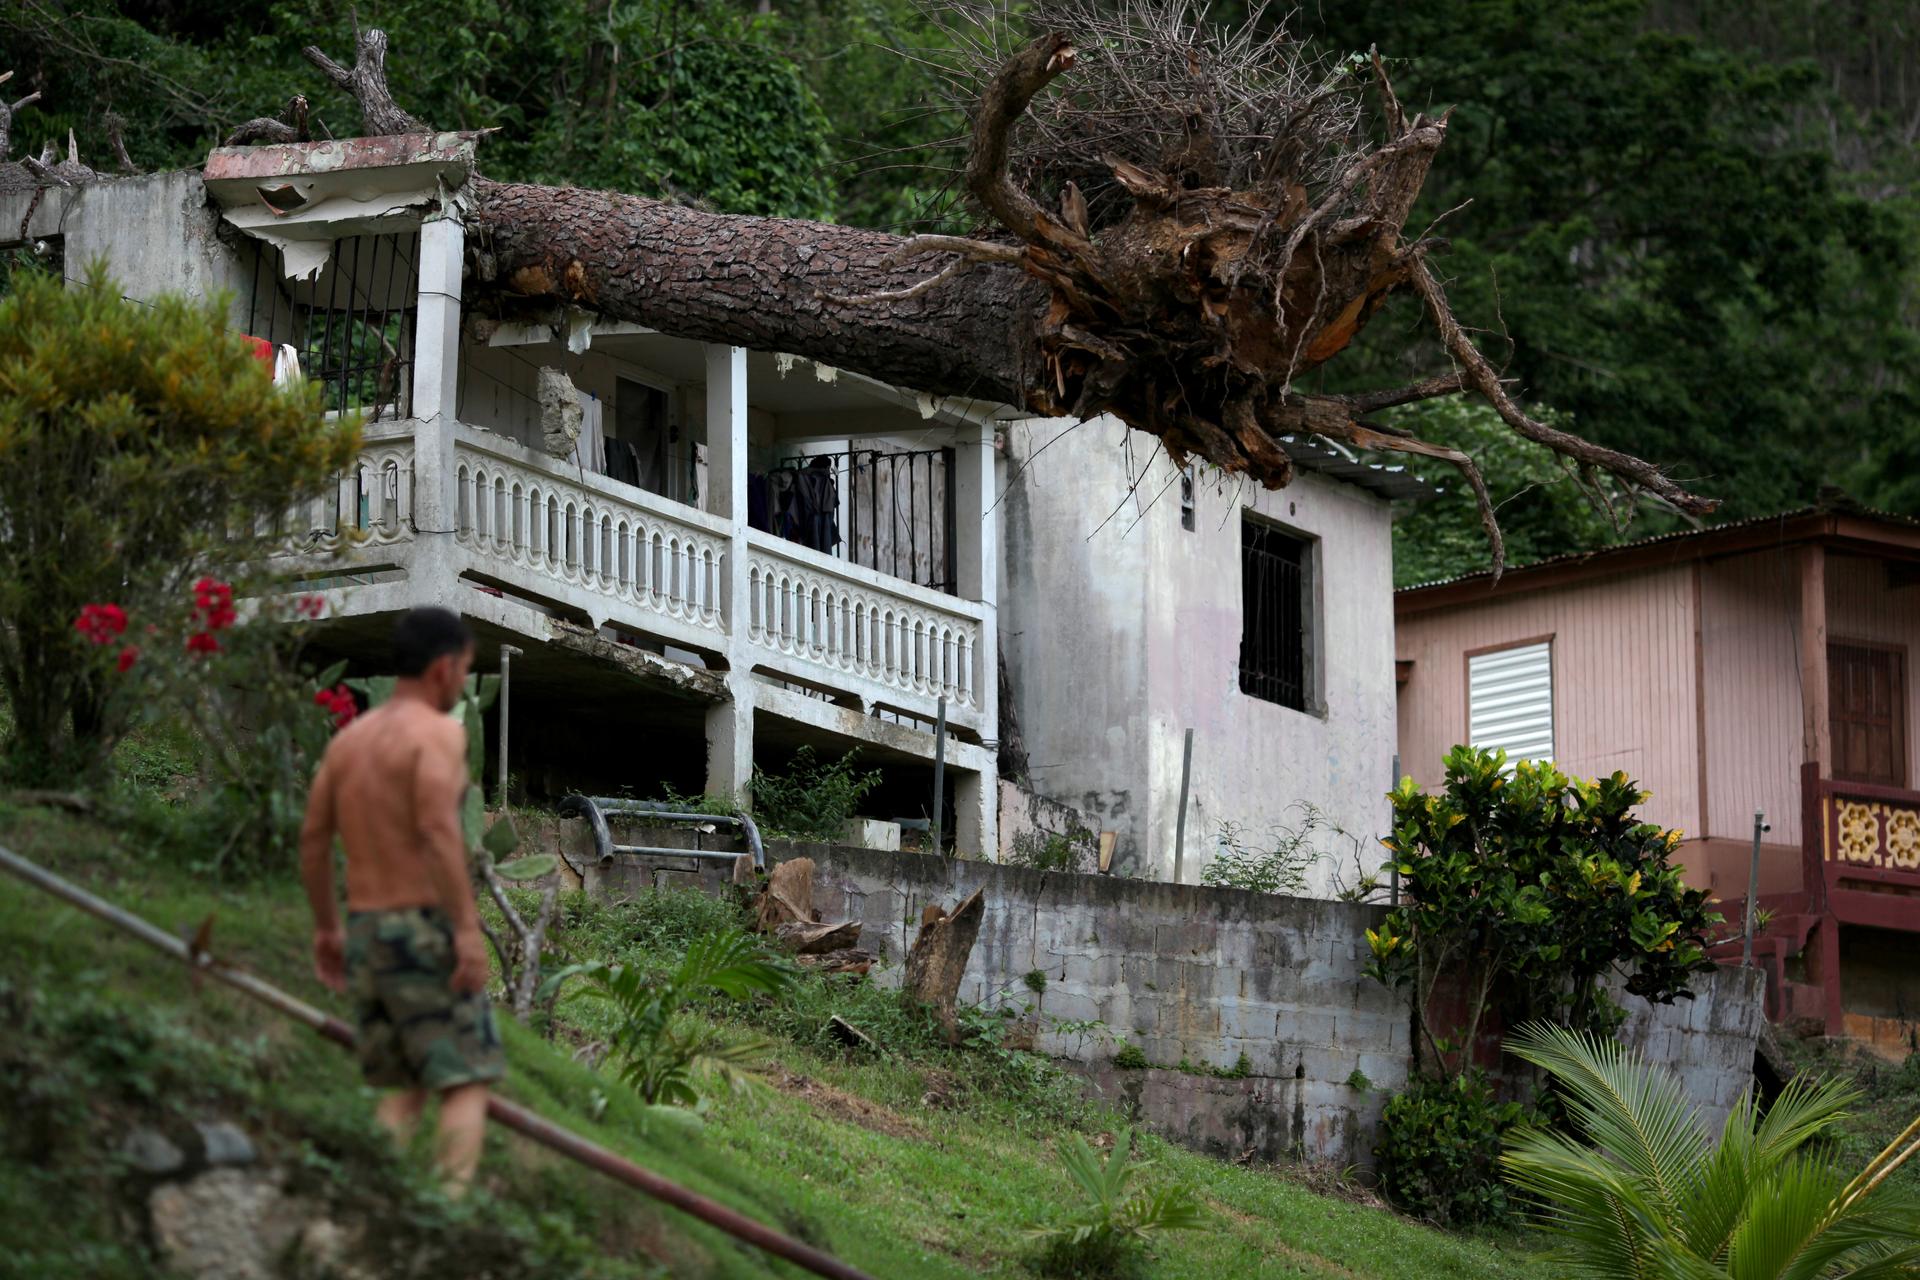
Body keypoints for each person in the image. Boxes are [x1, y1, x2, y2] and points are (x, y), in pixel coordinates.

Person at [298, 606, 500, 1195]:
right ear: (442, 668)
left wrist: (327, 929)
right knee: (465, 1081)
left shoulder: (350, 741)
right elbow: (440, 831)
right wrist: (466, 931)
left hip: (366, 929)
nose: (463, 681)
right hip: (424, 929)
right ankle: (445, 1218)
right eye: (464, 668)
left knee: (407, 1087)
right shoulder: (440, 733)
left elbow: (313, 841)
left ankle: (372, 1210)